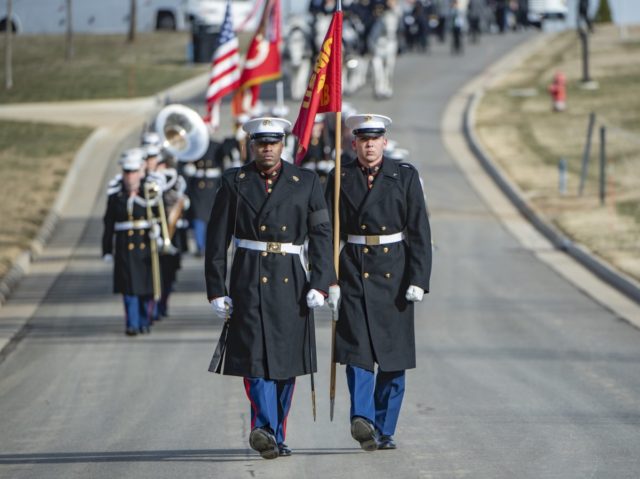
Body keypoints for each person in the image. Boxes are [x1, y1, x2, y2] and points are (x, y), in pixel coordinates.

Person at [204, 117, 338, 459]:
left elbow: (322, 235)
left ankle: (276, 432)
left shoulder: (305, 181)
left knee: (285, 363)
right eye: (261, 143)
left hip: (291, 279)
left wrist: (321, 282)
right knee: (255, 360)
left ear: (283, 144)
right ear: (252, 145)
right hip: (248, 278)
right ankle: (263, 426)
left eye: (274, 142)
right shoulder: (235, 181)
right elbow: (217, 239)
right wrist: (216, 289)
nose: (268, 148)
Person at [325, 114, 432, 451]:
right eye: (363, 139)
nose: (369, 145)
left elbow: (419, 232)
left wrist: (419, 278)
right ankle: (363, 419)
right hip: (354, 271)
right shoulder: (339, 177)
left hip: (395, 274)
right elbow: (327, 234)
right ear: (353, 143)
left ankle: (383, 429)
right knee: (357, 353)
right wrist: (328, 280)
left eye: (375, 139)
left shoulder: (404, 176)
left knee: (392, 358)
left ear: (385, 142)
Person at [102, 148, 159, 336]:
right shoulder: (115, 196)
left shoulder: (149, 193)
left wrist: (157, 233)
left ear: (140, 173)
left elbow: (159, 216)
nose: (130, 176)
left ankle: (144, 321)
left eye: (133, 172)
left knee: (145, 289)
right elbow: (109, 224)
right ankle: (132, 324)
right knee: (128, 290)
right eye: (127, 172)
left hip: (144, 248)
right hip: (124, 249)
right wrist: (107, 250)